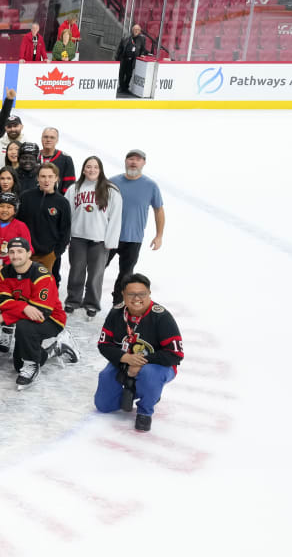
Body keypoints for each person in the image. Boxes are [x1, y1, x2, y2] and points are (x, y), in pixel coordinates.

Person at [93, 273, 183, 432]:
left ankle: (145, 411)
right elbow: (104, 344)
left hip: (156, 366)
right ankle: (137, 390)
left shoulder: (162, 317)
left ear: (149, 293)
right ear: (123, 294)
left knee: (149, 375)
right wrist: (125, 358)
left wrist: (141, 362)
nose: (136, 298)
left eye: (142, 294)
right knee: (104, 405)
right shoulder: (116, 313)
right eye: (131, 294)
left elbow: (175, 355)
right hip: (124, 360)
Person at [0, 238, 74, 390]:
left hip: (52, 319)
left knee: (24, 327)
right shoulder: (6, 272)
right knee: (18, 365)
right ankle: (55, 349)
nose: (15, 256)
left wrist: (6, 317)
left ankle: (32, 366)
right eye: (12, 252)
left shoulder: (41, 274)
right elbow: (2, 302)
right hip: (25, 317)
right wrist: (23, 307)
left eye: (20, 251)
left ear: (29, 253)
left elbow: (41, 312)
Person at [66, 157, 121, 319]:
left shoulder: (111, 191)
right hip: (78, 237)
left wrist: (111, 240)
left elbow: (115, 218)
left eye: (95, 167)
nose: (92, 170)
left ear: (100, 170)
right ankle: (73, 300)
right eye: (88, 167)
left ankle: (92, 303)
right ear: (83, 170)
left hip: (100, 240)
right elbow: (67, 214)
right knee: (76, 272)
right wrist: (67, 237)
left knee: (96, 275)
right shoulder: (74, 188)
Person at [108, 149, 164, 306]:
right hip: (110, 235)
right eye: (131, 159)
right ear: (125, 161)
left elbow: (159, 210)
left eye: (138, 159)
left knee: (126, 275)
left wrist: (159, 235)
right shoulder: (112, 182)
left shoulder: (151, 186)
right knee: (97, 270)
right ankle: (89, 300)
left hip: (134, 238)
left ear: (144, 163)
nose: (134, 162)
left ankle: (118, 304)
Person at [17, 163, 71, 283]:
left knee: (43, 286)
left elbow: (65, 231)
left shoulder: (62, 203)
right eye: (43, 176)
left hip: (48, 255)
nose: (47, 180)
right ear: (37, 178)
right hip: (26, 252)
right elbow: (18, 223)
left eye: (50, 176)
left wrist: (55, 253)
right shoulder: (25, 197)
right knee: (23, 285)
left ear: (56, 178)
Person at [38, 127, 76, 194]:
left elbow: (69, 185)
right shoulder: (33, 156)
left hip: (56, 198)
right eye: (45, 137)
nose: (48, 140)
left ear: (57, 140)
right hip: (34, 197)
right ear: (41, 139)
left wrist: (61, 199)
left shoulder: (66, 159)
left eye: (52, 137)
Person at [115, 24, 148, 95]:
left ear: (140, 31)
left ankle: (126, 87)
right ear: (132, 30)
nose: (136, 31)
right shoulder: (126, 37)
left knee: (129, 74)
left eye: (137, 30)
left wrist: (142, 54)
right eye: (135, 29)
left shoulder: (142, 39)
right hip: (124, 58)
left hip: (133, 59)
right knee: (121, 73)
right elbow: (120, 48)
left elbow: (143, 49)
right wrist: (117, 57)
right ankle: (121, 87)